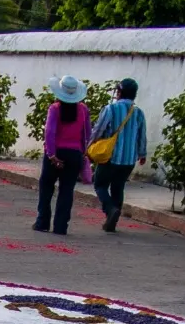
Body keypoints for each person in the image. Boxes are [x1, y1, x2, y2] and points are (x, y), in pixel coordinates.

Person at [34, 74, 92, 236]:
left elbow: (50, 132)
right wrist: (83, 151)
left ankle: (42, 222)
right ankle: (61, 227)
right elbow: (87, 132)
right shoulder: (83, 110)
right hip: (74, 154)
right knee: (67, 190)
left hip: (56, 152)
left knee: (46, 186)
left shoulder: (55, 109)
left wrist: (52, 155)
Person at [89, 77, 148, 233]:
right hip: (129, 159)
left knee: (99, 184)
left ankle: (110, 210)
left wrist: (89, 146)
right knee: (118, 187)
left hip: (110, 156)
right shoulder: (138, 112)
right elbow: (142, 135)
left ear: (120, 92)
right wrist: (142, 154)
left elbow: (99, 130)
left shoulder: (111, 109)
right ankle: (112, 221)